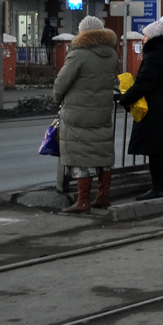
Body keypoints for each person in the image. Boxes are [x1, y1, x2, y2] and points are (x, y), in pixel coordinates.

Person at [53, 15, 118, 213]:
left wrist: (56, 97)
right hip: (103, 111)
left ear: (82, 33)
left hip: (78, 113)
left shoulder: (78, 54)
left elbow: (61, 83)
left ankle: (82, 201)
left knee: (82, 156)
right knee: (102, 153)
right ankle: (103, 197)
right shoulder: (112, 54)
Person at [121, 16, 163, 201]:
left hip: (155, 109)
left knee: (155, 150)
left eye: (145, 36)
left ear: (153, 38)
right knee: (162, 150)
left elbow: (145, 84)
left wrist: (125, 99)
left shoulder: (154, 57)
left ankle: (158, 188)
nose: (143, 39)